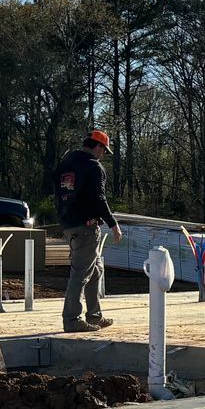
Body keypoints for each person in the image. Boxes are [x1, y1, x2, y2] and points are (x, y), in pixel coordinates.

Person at [54, 129, 123, 333]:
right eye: (104, 150)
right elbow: (98, 198)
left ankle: (94, 315)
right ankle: (72, 319)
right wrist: (113, 223)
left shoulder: (66, 163)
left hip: (69, 225)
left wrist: (65, 220)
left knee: (96, 270)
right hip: (86, 227)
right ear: (98, 146)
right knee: (80, 274)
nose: (103, 155)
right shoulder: (94, 167)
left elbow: (58, 194)